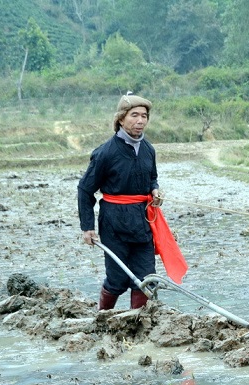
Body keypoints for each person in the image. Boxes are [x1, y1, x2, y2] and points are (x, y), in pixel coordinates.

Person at [78, 93, 186, 310]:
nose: (140, 121)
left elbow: (152, 177)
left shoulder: (148, 149)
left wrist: (154, 189)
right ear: (121, 119)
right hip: (114, 223)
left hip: (142, 222)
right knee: (117, 280)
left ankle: (136, 323)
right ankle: (103, 318)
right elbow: (85, 189)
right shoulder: (105, 153)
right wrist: (87, 227)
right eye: (134, 115)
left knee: (146, 278)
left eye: (144, 116)